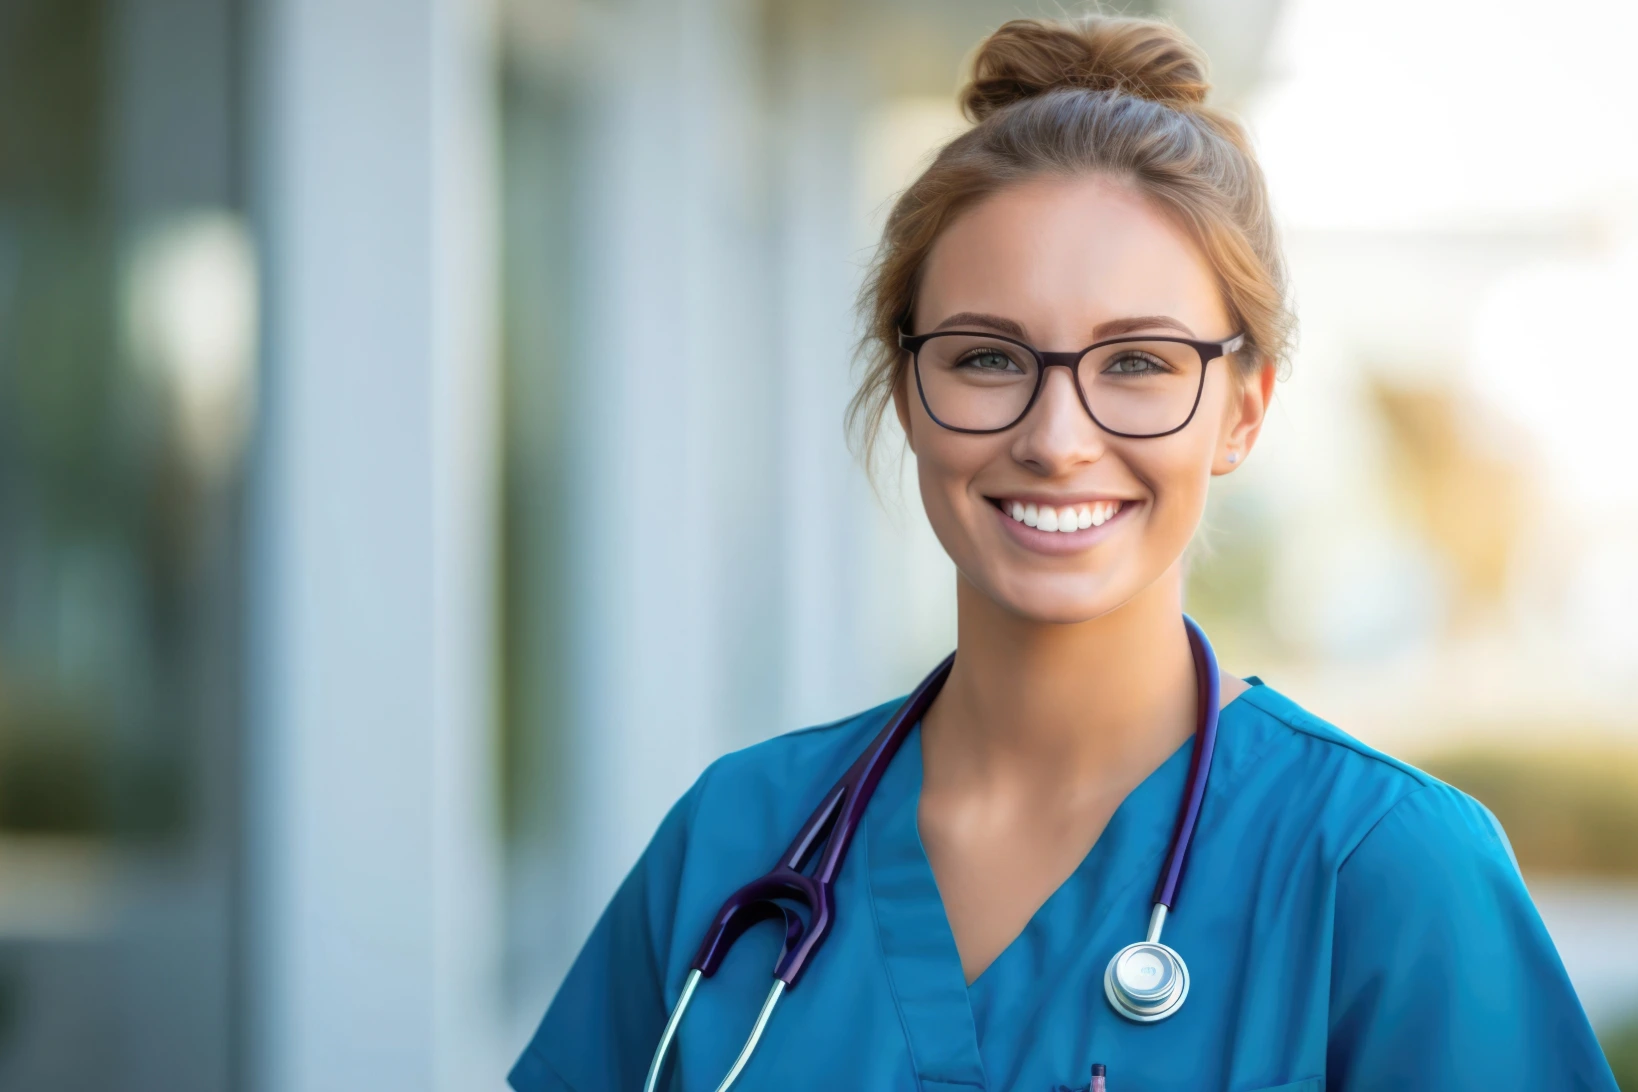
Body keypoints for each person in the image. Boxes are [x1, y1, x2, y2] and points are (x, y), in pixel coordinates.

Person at [509, 13, 1619, 1091]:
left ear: (1242, 410)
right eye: (988, 359)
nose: (1055, 440)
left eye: (1137, 363)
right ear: (909, 393)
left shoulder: (1384, 868)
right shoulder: (736, 840)